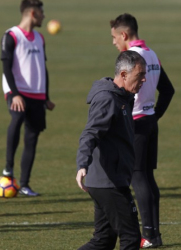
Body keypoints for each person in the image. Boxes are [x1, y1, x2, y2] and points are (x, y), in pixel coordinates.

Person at [110, 13, 175, 248]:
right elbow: (168, 90)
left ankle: (148, 235)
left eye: (115, 38)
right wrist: (155, 114)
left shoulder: (131, 58)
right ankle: (154, 234)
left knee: (138, 178)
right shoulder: (152, 54)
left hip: (135, 124)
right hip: (149, 122)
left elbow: (123, 94)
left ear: (124, 35)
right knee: (147, 177)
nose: (114, 43)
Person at [76, 50, 146, 250]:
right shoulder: (108, 99)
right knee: (131, 237)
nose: (144, 80)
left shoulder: (124, 97)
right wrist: (82, 164)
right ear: (123, 75)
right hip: (108, 183)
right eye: (139, 75)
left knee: (103, 241)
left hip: (109, 180)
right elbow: (90, 133)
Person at [0, 0, 55, 196]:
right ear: (33, 13)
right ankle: (8, 169)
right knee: (16, 120)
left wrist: (46, 97)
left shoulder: (40, 38)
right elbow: (6, 67)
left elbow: (43, 67)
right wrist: (14, 94)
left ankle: (24, 184)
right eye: (42, 12)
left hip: (37, 94)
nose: (44, 16)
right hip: (17, 92)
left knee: (32, 138)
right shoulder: (11, 36)